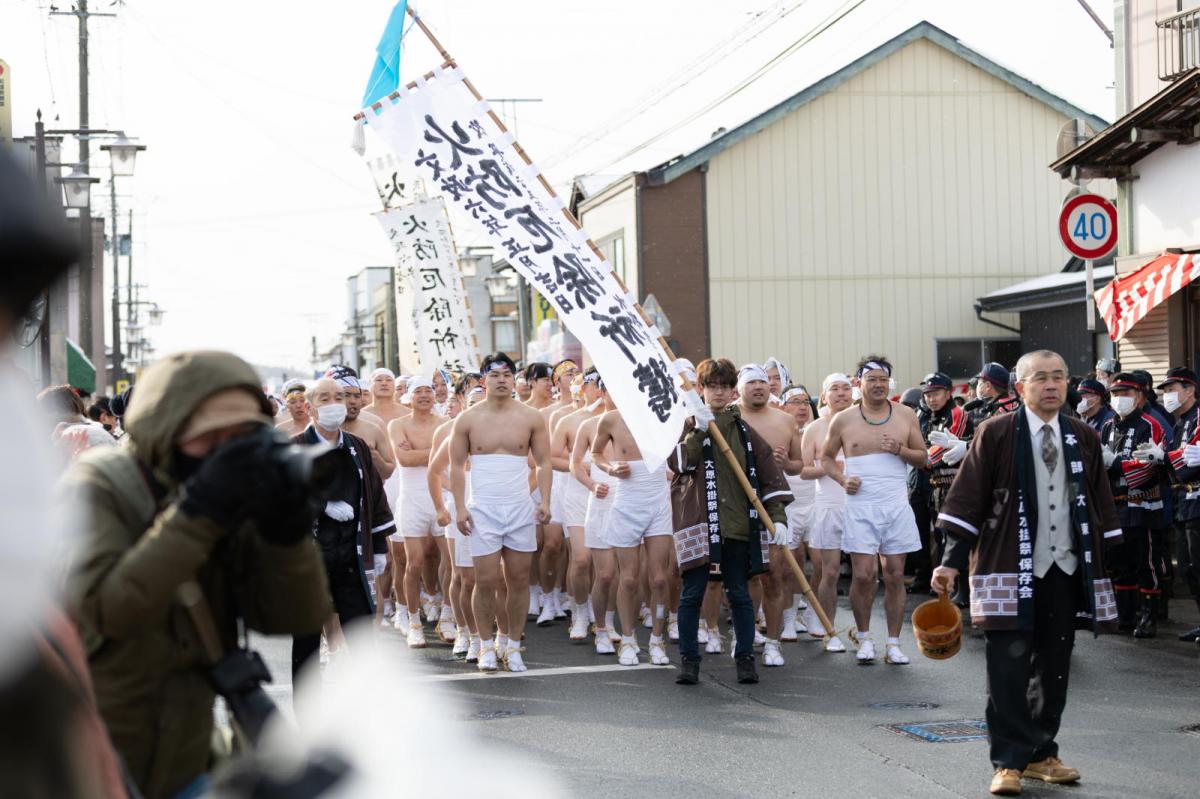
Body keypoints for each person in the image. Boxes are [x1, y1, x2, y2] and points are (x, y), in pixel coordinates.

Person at [66, 351, 331, 798]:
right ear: (167, 432)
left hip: (188, 756)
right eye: (210, 437)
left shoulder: (228, 491)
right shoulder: (101, 483)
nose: (226, 451)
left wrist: (286, 536)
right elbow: (103, 612)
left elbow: (291, 616)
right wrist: (197, 513)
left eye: (241, 436)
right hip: (94, 759)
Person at [932, 349, 1121, 796]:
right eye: (1041, 378)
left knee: (1055, 664)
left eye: (1059, 376)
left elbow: (1099, 499)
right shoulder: (995, 432)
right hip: (1006, 563)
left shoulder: (1083, 435)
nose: (1051, 385)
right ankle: (1008, 761)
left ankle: (1041, 752)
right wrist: (951, 562)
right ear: (1020, 387)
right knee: (1007, 667)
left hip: (1064, 565)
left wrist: (1109, 560)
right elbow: (968, 499)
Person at [670, 358, 792, 685]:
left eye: (725, 386)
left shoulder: (744, 430)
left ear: (733, 390)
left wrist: (777, 518)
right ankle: (689, 660)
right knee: (692, 594)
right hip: (700, 523)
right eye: (713, 386)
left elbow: (769, 476)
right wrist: (698, 429)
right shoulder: (689, 423)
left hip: (738, 525)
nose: (719, 393)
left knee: (739, 594)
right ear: (701, 389)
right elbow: (679, 463)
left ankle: (745, 658)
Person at [451, 353, 552, 672]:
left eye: (507, 375)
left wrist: (545, 501)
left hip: (520, 508)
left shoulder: (532, 417)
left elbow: (544, 462)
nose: (502, 380)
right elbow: (456, 466)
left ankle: (512, 644)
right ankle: (485, 645)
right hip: (483, 509)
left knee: (519, 579)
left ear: (514, 379)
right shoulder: (467, 419)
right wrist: (459, 507)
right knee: (485, 580)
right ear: (484, 379)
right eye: (494, 375)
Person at [821, 356, 925, 665]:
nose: (879, 385)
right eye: (872, 379)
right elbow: (826, 458)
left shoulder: (906, 414)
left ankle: (893, 643)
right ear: (859, 383)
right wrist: (843, 479)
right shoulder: (843, 419)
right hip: (860, 504)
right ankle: (865, 637)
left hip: (895, 503)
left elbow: (923, 458)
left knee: (895, 574)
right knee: (864, 575)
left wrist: (900, 449)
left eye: (883, 379)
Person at [291, 377, 396, 678]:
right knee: (307, 645)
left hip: (351, 555)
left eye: (339, 397)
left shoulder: (356, 446)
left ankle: (368, 702)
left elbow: (374, 496)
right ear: (311, 407)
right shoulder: (294, 448)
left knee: (362, 639)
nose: (335, 404)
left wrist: (379, 547)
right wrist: (322, 505)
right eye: (325, 398)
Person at [592, 399, 676, 667]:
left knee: (660, 579)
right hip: (627, 503)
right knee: (628, 579)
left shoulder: (665, 413)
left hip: (658, 502)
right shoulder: (610, 419)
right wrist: (611, 468)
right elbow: (596, 454)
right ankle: (628, 639)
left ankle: (657, 640)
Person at [736, 364, 804, 667]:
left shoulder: (785, 419)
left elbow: (799, 465)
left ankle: (774, 642)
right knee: (745, 576)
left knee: (774, 574)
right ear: (740, 388)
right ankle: (745, 635)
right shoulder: (728, 417)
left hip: (774, 501)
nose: (758, 387)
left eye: (762, 382)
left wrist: (786, 462)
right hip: (737, 503)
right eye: (751, 382)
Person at [1100, 372, 1169, 637]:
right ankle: (1125, 616)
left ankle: (1149, 616)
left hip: (1143, 504)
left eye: (1126, 394)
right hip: (1114, 505)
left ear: (1139, 396)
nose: (1120, 399)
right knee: (1119, 561)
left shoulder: (1150, 425)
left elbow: (1148, 466)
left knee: (1146, 561)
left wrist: (1116, 463)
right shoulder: (1107, 426)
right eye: (1115, 394)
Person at [388, 377, 450, 647]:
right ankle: (413, 621)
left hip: (442, 496)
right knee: (413, 562)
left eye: (428, 390)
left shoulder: (446, 423)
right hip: (412, 499)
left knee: (451, 561)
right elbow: (405, 459)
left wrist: (420, 452)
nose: (424, 395)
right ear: (409, 397)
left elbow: (451, 456)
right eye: (418, 392)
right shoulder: (397, 424)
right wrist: (437, 451)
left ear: (435, 396)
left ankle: (447, 616)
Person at [550, 367, 605, 641]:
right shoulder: (570, 421)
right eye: (597, 383)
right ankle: (580, 611)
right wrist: (582, 465)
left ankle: (603, 616)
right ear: (584, 388)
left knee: (605, 563)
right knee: (582, 558)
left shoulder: (620, 419)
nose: (602, 389)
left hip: (609, 491)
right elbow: (552, 458)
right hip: (577, 492)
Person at [800, 373, 854, 650]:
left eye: (846, 388)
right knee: (828, 571)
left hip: (860, 503)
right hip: (829, 504)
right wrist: (829, 468)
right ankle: (829, 629)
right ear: (824, 396)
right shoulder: (815, 428)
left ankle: (863, 632)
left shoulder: (862, 422)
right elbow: (803, 469)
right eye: (835, 389)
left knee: (866, 573)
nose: (841, 393)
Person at [909, 372, 973, 597]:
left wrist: (921, 458)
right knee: (934, 535)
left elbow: (942, 451)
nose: (931, 398)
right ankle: (932, 580)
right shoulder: (924, 414)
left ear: (948, 393)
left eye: (936, 393)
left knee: (952, 535)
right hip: (931, 483)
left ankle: (959, 588)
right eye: (927, 394)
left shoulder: (957, 413)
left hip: (954, 485)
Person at [573, 382, 620, 653]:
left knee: (626, 574)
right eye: (614, 389)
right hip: (601, 499)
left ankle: (610, 623)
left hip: (630, 501)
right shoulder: (589, 425)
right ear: (603, 393)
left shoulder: (638, 426)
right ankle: (598, 626)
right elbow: (575, 463)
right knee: (605, 573)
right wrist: (592, 485)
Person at [1158, 368, 1200, 642]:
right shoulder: (1179, 423)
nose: (1167, 395)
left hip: (1197, 499)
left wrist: (1167, 459)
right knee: (1187, 568)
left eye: (1172, 389)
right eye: (1165, 391)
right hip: (1183, 501)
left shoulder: (1198, 418)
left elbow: (1188, 462)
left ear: (1190, 390)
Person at [780, 385, 816, 640]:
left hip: (816, 503)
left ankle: (813, 615)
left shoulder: (819, 429)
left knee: (824, 564)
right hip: (789, 506)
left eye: (805, 401)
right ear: (783, 407)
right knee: (789, 567)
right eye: (795, 401)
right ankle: (789, 619)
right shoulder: (778, 431)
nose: (802, 407)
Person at [968, 361, 1021, 428]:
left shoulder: (1000, 409)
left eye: (979, 382)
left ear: (988, 386)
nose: (978, 386)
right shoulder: (1006, 402)